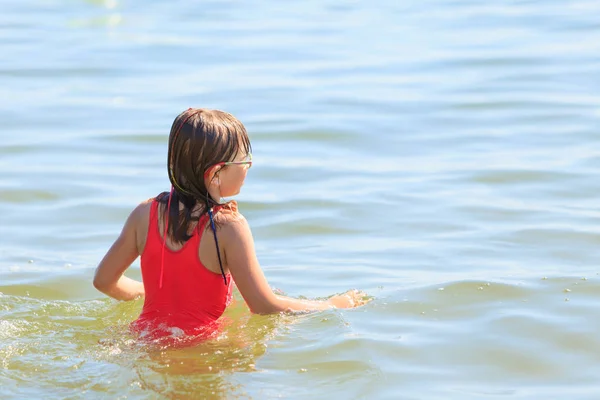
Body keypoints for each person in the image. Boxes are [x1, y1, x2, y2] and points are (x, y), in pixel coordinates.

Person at [93, 108, 369, 342]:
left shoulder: (144, 214)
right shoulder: (228, 228)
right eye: (244, 160)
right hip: (202, 349)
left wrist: (151, 293)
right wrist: (331, 305)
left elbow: (104, 280)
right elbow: (265, 306)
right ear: (215, 174)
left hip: (144, 340)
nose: (248, 167)